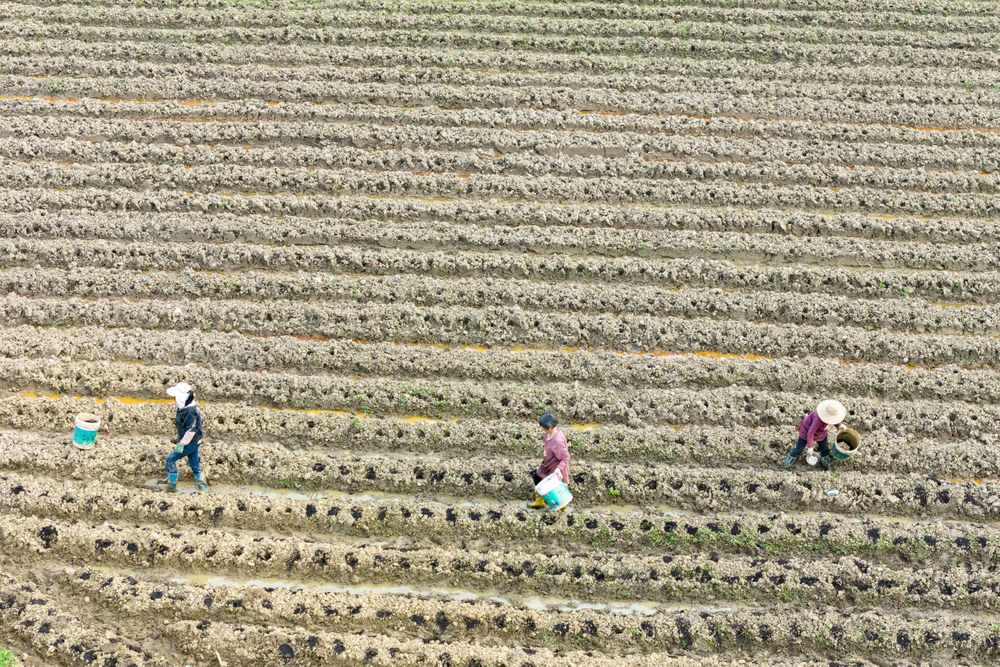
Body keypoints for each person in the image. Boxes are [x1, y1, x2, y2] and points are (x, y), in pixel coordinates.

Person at [165, 382, 207, 491]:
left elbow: (191, 429)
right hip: (195, 440)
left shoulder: (189, 411)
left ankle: (171, 486)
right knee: (194, 463)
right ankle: (203, 486)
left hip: (191, 441)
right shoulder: (186, 406)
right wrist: (179, 437)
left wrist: (182, 443)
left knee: (169, 459)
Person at [783, 399, 847, 472]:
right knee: (799, 449)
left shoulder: (829, 419)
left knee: (824, 448)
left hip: (821, 433)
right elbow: (810, 433)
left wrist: (840, 425)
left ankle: (825, 461)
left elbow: (834, 420)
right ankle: (789, 461)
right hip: (806, 432)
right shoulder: (818, 419)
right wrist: (810, 447)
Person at [528, 413, 570, 510]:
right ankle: (540, 501)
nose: (542, 429)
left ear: (550, 427)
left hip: (555, 468)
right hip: (547, 464)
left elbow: (566, 457)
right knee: (537, 478)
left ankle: (563, 508)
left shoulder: (558, 441)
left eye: (543, 427)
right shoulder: (548, 434)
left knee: (556, 488)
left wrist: (559, 469)